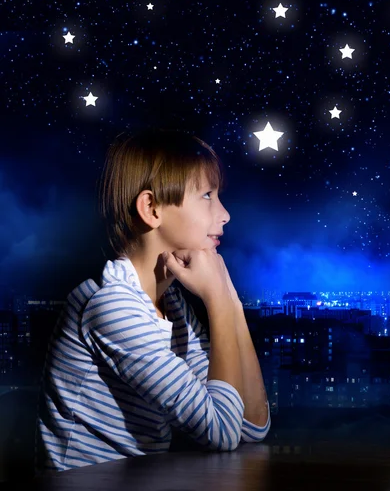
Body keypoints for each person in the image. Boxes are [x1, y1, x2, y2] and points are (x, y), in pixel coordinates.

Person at [34, 127, 271, 474]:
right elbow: (221, 432)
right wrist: (217, 298)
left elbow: (250, 424)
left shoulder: (171, 304)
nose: (225, 214)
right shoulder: (112, 306)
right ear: (151, 208)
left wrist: (230, 298)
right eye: (207, 195)